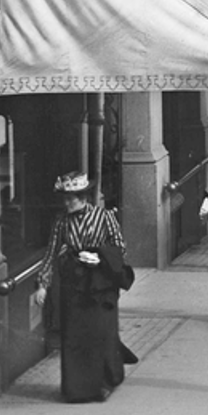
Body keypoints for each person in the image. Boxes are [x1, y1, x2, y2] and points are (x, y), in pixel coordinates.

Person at [31, 171, 135, 403]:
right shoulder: (61, 222)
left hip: (101, 283)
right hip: (74, 285)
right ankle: (76, 389)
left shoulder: (105, 217)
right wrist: (43, 285)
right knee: (75, 337)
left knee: (100, 334)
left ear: (84, 197)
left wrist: (101, 258)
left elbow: (120, 247)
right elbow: (50, 253)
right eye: (65, 198)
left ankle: (103, 384)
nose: (67, 202)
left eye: (72, 197)